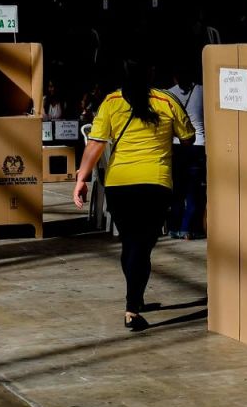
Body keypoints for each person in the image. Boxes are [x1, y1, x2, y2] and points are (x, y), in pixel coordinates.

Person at [73, 59, 195, 332]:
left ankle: (136, 297)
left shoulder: (112, 101)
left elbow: (95, 144)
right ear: (151, 72)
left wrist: (81, 178)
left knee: (131, 243)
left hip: (119, 185)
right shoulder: (167, 101)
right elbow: (188, 137)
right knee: (142, 244)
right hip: (156, 183)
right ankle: (131, 308)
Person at [166, 65, 206, 240]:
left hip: (176, 145)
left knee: (177, 189)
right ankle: (187, 228)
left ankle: (174, 227)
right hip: (198, 145)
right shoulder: (203, 91)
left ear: (175, 78)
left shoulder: (168, 94)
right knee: (194, 190)